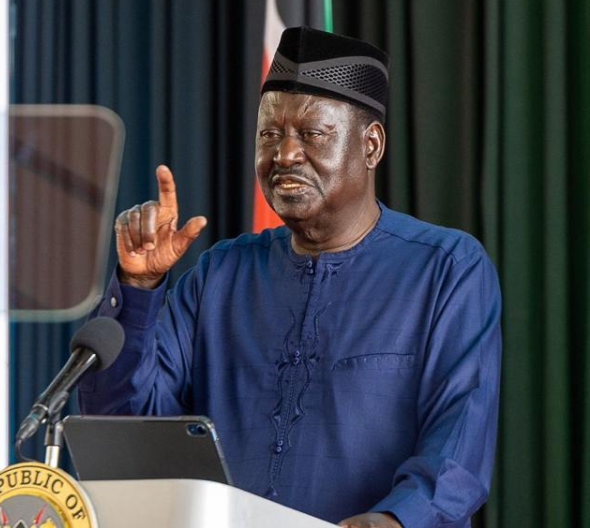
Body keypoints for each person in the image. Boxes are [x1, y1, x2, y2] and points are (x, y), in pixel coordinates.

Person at [78, 27, 501, 528]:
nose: (284, 155)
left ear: (371, 145)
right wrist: (139, 289)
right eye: (269, 134)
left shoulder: (445, 269)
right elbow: (127, 432)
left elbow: (459, 444)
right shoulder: (220, 276)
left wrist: (395, 519)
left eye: (311, 134)